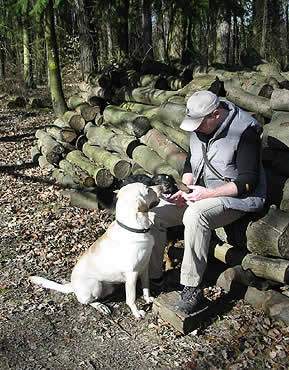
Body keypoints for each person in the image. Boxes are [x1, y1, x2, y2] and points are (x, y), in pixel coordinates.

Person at [149, 90, 266, 314]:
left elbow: (248, 182)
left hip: (237, 197)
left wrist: (206, 195)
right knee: (156, 214)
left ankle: (192, 288)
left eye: (199, 123)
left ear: (215, 114)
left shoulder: (245, 131)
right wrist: (185, 188)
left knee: (195, 215)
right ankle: (156, 276)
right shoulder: (202, 125)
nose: (195, 128)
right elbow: (191, 164)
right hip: (203, 192)